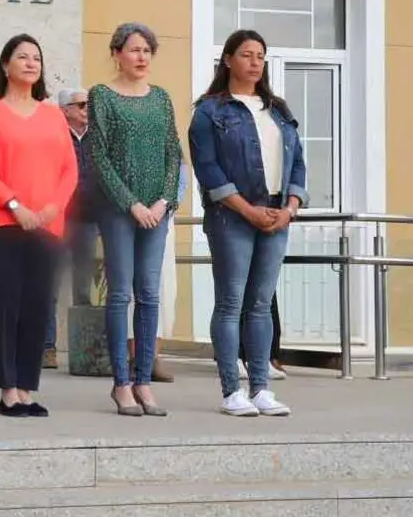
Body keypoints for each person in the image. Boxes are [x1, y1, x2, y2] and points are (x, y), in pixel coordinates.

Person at [189, 29, 305, 418]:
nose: (255, 62)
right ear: (228, 60)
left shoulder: (279, 110)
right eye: (247, 55)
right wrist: (247, 210)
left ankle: (261, 388)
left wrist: (289, 207)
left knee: (259, 304)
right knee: (231, 302)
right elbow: (209, 169)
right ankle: (230, 390)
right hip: (232, 217)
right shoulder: (210, 111)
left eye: (260, 56)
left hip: (276, 215)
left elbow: (299, 164)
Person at [0, 34, 77, 417]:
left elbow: (69, 169)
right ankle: (8, 390)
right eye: (22, 57)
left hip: (47, 225)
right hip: (4, 223)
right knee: (8, 307)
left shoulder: (52, 115)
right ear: (5, 65)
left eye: (37, 58)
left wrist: (51, 209)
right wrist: (15, 206)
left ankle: (28, 388)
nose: (31, 63)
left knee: (37, 307)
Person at [88, 22, 182, 417]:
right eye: (134, 50)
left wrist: (163, 201)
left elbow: (173, 153)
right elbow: (100, 156)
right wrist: (131, 204)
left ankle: (144, 380)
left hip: (156, 211)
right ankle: (122, 383)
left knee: (150, 294)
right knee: (121, 294)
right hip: (119, 210)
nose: (142, 57)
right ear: (116, 53)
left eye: (147, 50)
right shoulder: (102, 96)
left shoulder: (161, 98)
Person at [44, 88, 98, 370]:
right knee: (51, 285)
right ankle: (47, 348)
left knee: (83, 286)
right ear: (65, 109)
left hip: (88, 220)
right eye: (80, 104)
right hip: (58, 219)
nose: (86, 108)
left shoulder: (96, 138)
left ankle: (83, 348)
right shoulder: (54, 137)